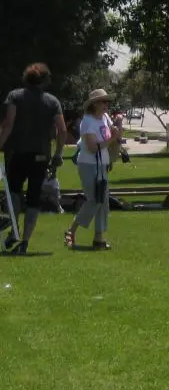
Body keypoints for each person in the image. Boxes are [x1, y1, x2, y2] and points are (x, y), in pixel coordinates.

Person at [0, 63, 70, 254]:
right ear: (46, 80)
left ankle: (14, 230)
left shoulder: (15, 96)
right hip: (41, 155)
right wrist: (58, 154)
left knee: (14, 192)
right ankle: (25, 242)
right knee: (33, 199)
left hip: (16, 153)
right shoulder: (52, 101)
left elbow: (8, 124)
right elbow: (62, 130)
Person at [64, 89, 121, 250]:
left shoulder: (104, 118)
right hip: (88, 164)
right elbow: (91, 147)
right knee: (94, 200)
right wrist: (111, 140)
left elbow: (113, 134)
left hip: (102, 164)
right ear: (94, 104)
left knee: (103, 202)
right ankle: (71, 230)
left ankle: (99, 239)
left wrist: (117, 129)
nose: (106, 105)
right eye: (103, 102)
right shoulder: (87, 121)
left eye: (107, 102)